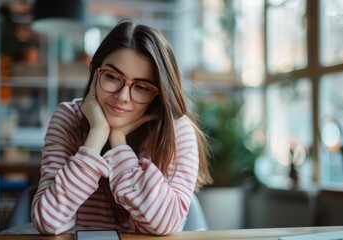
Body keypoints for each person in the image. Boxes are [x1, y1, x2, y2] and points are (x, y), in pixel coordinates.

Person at [31, 19, 212, 236]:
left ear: (159, 94)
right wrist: (96, 135)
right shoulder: (68, 118)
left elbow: (166, 225)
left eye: (142, 87)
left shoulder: (176, 131)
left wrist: (118, 144)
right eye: (112, 77)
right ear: (95, 71)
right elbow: (47, 221)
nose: (122, 97)